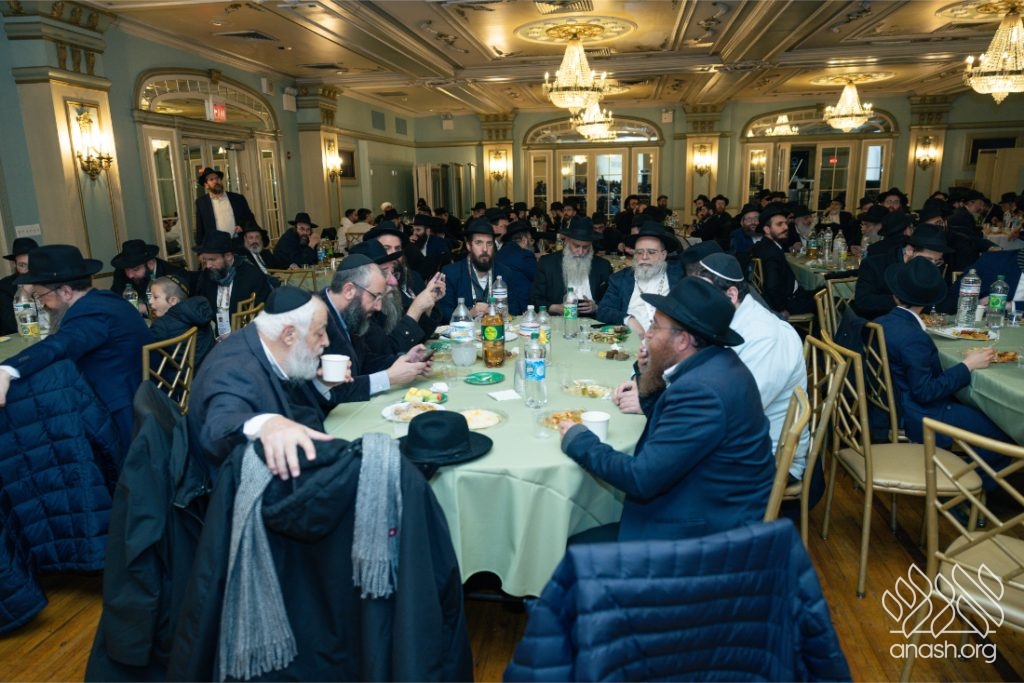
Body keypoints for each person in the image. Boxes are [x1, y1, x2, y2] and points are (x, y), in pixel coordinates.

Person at [559, 276, 773, 542]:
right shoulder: (717, 361)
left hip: (704, 534)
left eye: (655, 326)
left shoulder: (701, 392)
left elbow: (640, 478)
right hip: (708, 501)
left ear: (682, 340)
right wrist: (649, 375)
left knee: (568, 543)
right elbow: (674, 425)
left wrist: (580, 440)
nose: (647, 334)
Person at [0, 245, 150, 452]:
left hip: (123, 412)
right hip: (141, 394)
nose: (42, 304)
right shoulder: (106, 299)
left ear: (66, 292)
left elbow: (59, 344)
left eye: (41, 296)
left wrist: (7, 369)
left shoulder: (90, 313)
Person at [875, 259, 1011, 487]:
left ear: (895, 295)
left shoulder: (883, 321)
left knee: (981, 414)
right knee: (1003, 435)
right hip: (919, 413)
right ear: (929, 301)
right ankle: (964, 489)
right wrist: (967, 365)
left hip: (892, 403)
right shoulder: (913, 338)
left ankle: (961, 475)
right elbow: (925, 392)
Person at [188, 286, 348, 478]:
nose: (326, 341)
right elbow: (218, 427)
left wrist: (322, 384)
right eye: (319, 333)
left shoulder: (267, 344)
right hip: (237, 485)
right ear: (289, 335)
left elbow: (292, 404)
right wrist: (267, 424)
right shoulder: (234, 368)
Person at [696, 253, 809, 485]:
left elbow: (736, 413)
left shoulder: (765, 336)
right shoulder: (729, 317)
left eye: (704, 295)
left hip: (767, 459)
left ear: (731, 295)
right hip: (734, 441)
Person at [319, 254, 433, 404]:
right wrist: (388, 378)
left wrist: (405, 360)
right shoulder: (316, 321)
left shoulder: (349, 312)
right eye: (375, 297)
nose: (378, 307)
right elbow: (331, 391)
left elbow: (364, 361)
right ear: (349, 290)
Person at [596, 223, 682, 334]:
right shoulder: (620, 279)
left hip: (668, 340)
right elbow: (603, 311)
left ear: (663, 255)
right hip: (631, 339)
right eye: (639, 252)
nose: (644, 257)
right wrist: (627, 320)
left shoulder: (679, 276)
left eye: (651, 252)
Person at [855, 224, 952, 319]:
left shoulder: (934, 268)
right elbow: (863, 302)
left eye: (937, 261)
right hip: (882, 324)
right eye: (928, 260)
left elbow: (941, 304)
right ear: (910, 250)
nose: (932, 265)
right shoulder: (874, 264)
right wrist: (898, 299)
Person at [439, 220, 526, 318]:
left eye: (489, 243)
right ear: (468, 246)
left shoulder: (505, 272)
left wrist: (498, 312)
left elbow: (515, 310)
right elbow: (444, 314)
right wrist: (468, 314)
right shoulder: (451, 273)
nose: (485, 249)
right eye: (479, 243)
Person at [192, 231, 272, 338]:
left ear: (228, 256)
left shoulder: (253, 276)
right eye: (205, 260)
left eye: (212, 259)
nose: (208, 265)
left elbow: (264, 313)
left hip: (247, 337)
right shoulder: (207, 275)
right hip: (214, 337)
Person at [530, 216, 612, 317]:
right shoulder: (547, 263)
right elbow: (535, 300)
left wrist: (597, 307)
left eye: (585, 247)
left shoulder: (603, 266)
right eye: (576, 246)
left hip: (594, 322)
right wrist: (556, 308)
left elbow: (612, 301)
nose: (580, 252)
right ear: (567, 241)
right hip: (558, 320)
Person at [750, 205, 816, 317]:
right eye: (779, 224)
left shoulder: (764, 245)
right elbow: (771, 287)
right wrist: (781, 309)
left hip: (790, 296)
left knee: (820, 290)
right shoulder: (771, 252)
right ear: (767, 230)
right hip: (790, 302)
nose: (786, 227)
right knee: (829, 298)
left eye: (785, 223)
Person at [149, 274, 215, 368]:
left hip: (176, 376)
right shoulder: (200, 313)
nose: (150, 301)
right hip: (208, 371)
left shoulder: (162, 325)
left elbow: (145, 354)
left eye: (155, 297)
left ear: (173, 301)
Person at [109, 239, 187, 316]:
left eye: (136, 269)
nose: (130, 275)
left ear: (150, 263)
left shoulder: (174, 274)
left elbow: (181, 309)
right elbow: (114, 299)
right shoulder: (121, 272)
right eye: (127, 269)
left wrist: (145, 308)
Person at [193, 166, 254, 246]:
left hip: (237, 243)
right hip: (215, 246)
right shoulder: (201, 202)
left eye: (217, 178)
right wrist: (200, 249)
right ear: (206, 185)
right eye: (211, 179)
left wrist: (242, 227)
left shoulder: (238, 198)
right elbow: (200, 228)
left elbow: (249, 218)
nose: (216, 181)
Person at [0, 237, 37, 335]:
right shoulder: (4, 287)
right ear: (15, 265)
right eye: (22, 265)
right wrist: (25, 294)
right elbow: (11, 326)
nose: (28, 270)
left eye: (32, 264)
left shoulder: (50, 282)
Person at [494, 219, 537, 294]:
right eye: (531, 240)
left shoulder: (499, 253)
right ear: (524, 240)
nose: (531, 244)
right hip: (522, 299)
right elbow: (538, 278)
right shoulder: (525, 255)